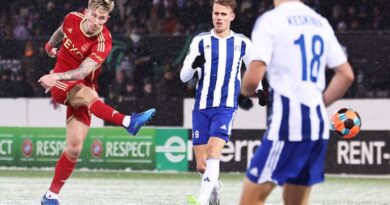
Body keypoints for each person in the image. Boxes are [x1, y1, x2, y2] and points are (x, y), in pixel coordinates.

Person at [38, 1, 156, 204]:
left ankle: (50, 196)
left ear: (107, 19)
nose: (95, 22)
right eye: (93, 15)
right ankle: (128, 122)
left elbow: (84, 72)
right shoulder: (72, 18)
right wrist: (50, 45)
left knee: (74, 148)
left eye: (101, 18)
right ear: (86, 12)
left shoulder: (104, 41)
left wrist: (56, 76)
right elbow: (61, 30)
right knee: (88, 95)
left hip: (76, 83)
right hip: (64, 85)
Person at [239, 0, 355, 205]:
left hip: (289, 125)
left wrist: (243, 92)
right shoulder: (320, 22)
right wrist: (318, 104)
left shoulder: (271, 20)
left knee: (251, 200)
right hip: (317, 125)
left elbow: (252, 79)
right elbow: (346, 75)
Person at [180, 1, 265, 205]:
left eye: (223, 14)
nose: (218, 17)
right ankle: (215, 187)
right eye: (215, 13)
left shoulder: (242, 43)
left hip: (226, 106)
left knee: (213, 152)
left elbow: (252, 68)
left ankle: (201, 200)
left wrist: (260, 89)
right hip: (201, 107)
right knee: (202, 166)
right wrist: (193, 65)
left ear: (231, 17)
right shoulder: (200, 41)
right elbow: (184, 77)